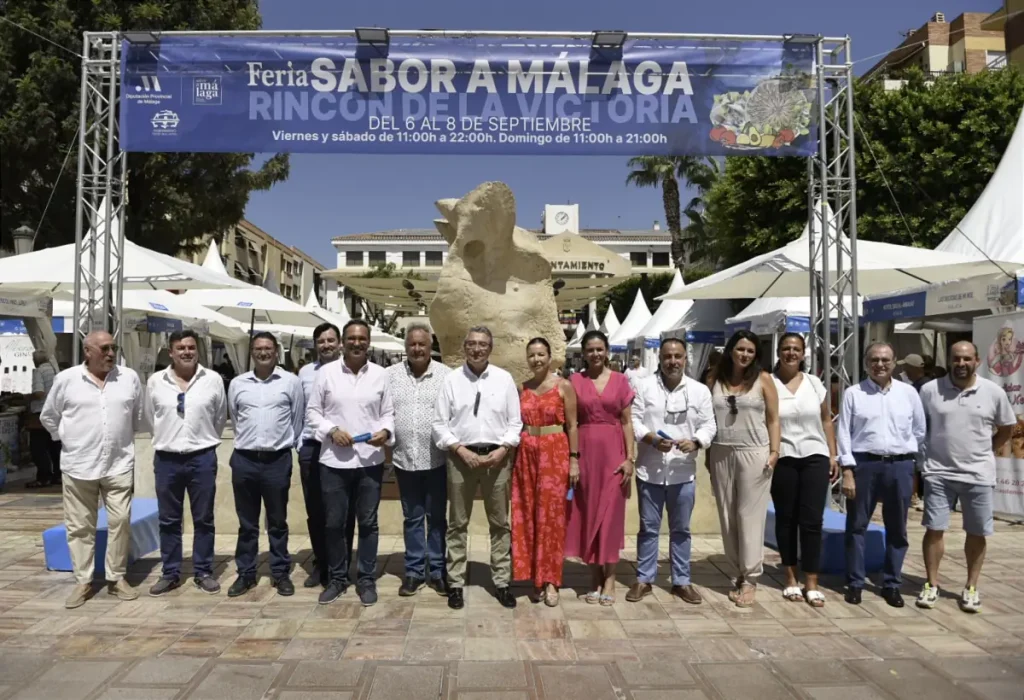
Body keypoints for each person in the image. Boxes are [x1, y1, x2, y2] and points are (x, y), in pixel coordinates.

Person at [40, 331, 143, 608]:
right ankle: (83, 581)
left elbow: (137, 416)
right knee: (79, 526)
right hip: (78, 464)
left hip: (118, 463)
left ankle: (116, 577)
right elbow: (48, 416)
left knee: (120, 521)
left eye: (114, 347)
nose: (111, 353)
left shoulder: (129, 378)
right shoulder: (66, 379)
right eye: (105, 348)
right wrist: (67, 439)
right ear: (88, 351)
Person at [916, 341, 1016, 613]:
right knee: (934, 529)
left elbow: (1007, 428)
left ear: (977, 360)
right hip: (939, 473)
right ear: (949, 360)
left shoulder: (993, 392)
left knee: (977, 532)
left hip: (978, 474)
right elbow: (919, 428)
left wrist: (985, 450)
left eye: (967, 359)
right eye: (956, 359)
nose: (961, 364)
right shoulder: (929, 390)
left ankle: (971, 587)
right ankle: (932, 585)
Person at [432, 326, 522, 610]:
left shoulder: (504, 379)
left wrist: (504, 449)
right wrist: (458, 449)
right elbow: (439, 423)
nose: (477, 349)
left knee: (499, 524)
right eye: (471, 343)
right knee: (458, 523)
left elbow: (515, 423)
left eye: (482, 344)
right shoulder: (451, 380)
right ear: (464, 347)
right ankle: (456, 582)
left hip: (497, 458)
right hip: (461, 458)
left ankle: (502, 581)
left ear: (490, 348)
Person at [307, 319, 394, 607]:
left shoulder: (381, 375)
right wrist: (330, 431)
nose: (357, 343)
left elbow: (388, 414)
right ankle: (337, 578)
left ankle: (366, 579)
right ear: (343, 342)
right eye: (352, 338)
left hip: (369, 461)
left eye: (362, 339)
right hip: (334, 461)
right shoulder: (327, 374)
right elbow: (313, 414)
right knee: (334, 524)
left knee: (368, 523)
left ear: (368, 342)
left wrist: (384, 432)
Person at [838, 341, 926, 607]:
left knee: (897, 528)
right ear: (866, 364)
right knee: (856, 527)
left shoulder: (908, 393)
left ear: (894, 361)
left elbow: (920, 430)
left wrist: (906, 457)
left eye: (885, 360)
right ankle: (855, 582)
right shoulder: (854, 393)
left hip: (899, 466)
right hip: (864, 465)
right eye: (874, 360)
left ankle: (891, 583)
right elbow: (843, 432)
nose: (880, 364)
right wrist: (848, 471)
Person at [628, 338, 715, 605]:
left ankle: (681, 581)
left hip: (682, 472)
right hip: (650, 470)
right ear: (660, 359)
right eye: (667, 356)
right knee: (648, 529)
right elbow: (634, 420)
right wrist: (651, 439)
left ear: (685, 359)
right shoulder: (643, 387)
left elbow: (709, 424)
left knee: (681, 530)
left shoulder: (700, 391)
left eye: (677, 356)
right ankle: (644, 579)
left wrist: (697, 441)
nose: (672, 361)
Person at [144, 330, 227, 596]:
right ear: (171, 352)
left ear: (197, 350)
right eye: (180, 348)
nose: (186, 352)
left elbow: (219, 417)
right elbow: (149, 418)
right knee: (169, 520)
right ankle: (170, 572)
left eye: (191, 347)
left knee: (204, 518)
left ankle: (203, 570)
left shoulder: (213, 380)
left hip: (202, 457)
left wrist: (201, 440)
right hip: (167, 459)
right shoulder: (156, 381)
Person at [227, 332, 305, 598]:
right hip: (245, 459)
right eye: (258, 348)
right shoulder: (238, 383)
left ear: (276, 351)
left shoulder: (291, 382)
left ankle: (280, 573)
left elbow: (297, 421)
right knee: (247, 523)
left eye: (268, 348)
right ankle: (246, 574)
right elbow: (235, 418)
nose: (263, 353)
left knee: (277, 521)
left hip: (276, 460)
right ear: (252, 352)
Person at [706, 330, 780, 608]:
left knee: (748, 515)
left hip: (754, 452)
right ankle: (737, 570)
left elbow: (773, 418)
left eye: (750, 351)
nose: (745, 355)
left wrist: (775, 452)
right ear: (730, 350)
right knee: (727, 514)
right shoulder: (714, 378)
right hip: (721, 451)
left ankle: (750, 577)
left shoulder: (763, 379)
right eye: (740, 349)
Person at [565, 330, 636, 606]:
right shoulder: (574, 381)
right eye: (590, 349)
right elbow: (569, 422)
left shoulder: (620, 381)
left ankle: (610, 578)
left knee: (611, 517)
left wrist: (630, 457)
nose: (595, 354)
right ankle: (593, 576)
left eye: (599, 349)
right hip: (585, 454)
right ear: (583, 353)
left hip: (613, 453)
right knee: (587, 515)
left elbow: (627, 421)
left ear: (607, 351)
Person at [770, 333, 839, 607]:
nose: (791, 353)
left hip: (815, 456)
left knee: (812, 522)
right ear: (778, 351)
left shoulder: (814, 383)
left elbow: (826, 420)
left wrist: (833, 454)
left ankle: (812, 581)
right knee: (786, 520)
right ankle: (789, 579)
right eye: (786, 348)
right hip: (784, 456)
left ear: (803, 353)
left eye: (796, 349)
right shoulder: (769, 383)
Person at [512, 337, 579, 606]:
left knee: (552, 518)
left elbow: (573, 426)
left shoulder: (564, 387)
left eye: (541, 354)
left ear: (549, 357)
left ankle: (551, 579)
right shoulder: (522, 388)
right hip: (527, 454)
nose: (537, 359)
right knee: (527, 514)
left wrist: (574, 459)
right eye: (532, 355)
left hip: (555, 453)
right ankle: (533, 577)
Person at [386, 323, 451, 597]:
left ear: (430, 346)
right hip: (404, 459)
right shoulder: (390, 376)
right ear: (405, 347)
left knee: (436, 518)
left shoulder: (446, 375)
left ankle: (437, 570)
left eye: (422, 344)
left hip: (436, 459)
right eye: (412, 344)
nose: (417, 349)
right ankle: (413, 571)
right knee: (412, 517)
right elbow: (384, 412)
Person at [297, 322, 356, 590]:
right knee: (316, 511)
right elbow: (299, 411)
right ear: (315, 345)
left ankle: (341, 566)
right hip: (312, 447)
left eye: (331, 340)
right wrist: (299, 443)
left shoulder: (349, 371)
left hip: (342, 448)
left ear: (340, 342)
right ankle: (321, 563)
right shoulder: (304, 373)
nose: (327, 345)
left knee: (343, 511)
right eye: (321, 341)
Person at [26, 350, 59, 488]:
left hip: (40, 414)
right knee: (54, 446)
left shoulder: (38, 371)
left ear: (35, 360)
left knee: (38, 447)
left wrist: (27, 397)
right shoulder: (55, 371)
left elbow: (39, 393)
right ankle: (58, 476)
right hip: (55, 413)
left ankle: (43, 477)